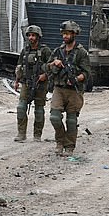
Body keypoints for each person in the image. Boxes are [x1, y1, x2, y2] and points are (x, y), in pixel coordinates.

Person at [45, 20, 91, 156]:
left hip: (74, 91)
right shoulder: (58, 51)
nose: (65, 36)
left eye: (68, 33)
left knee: (71, 120)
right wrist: (54, 63)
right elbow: (46, 67)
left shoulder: (81, 52)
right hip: (59, 88)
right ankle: (60, 142)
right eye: (63, 33)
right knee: (54, 117)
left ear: (74, 34)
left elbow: (87, 73)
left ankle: (69, 146)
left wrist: (76, 79)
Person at [13, 25, 52, 142]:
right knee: (21, 107)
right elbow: (19, 66)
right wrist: (17, 81)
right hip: (26, 83)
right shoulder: (24, 51)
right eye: (29, 35)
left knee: (39, 109)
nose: (31, 37)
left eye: (33, 35)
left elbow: (51, 66)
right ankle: (21, 134)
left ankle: (37, 135)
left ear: (38, 37)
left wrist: (45, 75)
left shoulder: (45, 51)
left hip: (40, 84)